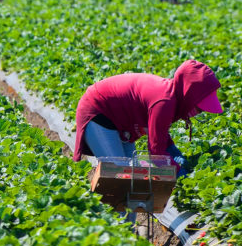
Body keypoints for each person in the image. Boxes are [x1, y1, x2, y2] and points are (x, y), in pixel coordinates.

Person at [73, 59, 224, 180]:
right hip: (98, 112)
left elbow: (162, 138)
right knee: (120, 177)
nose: (199, 112)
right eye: (199, 107)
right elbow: (156, 153)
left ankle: (124, 218)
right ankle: (106, 216)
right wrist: (180, 173)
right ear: (188, 95)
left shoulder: (172, 98)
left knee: (132, 180)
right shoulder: (164, 102)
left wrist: (176, 155)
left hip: (120, 122)